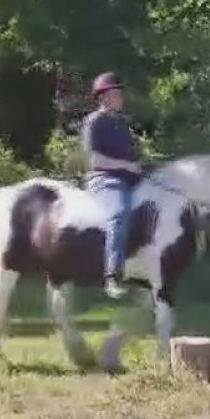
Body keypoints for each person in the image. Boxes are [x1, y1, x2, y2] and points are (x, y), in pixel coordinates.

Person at [81, 71, 144, 299]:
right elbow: (96, 161)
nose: (120, 97)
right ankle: (112, 276)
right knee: (118, 214)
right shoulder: (94, 122)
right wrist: (127, 166)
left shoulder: (122, 124)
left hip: (131, 180)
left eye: (120, 92)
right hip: (105, 180)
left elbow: (132, 158)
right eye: (116, 93)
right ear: (104, 97)